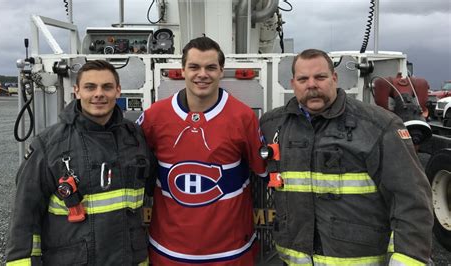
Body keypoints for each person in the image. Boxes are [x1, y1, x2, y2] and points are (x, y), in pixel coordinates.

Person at [259, 49, 433, 265]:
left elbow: (411, 199)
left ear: (334, 78)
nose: (311, 85)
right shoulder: (273, 124)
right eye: (303, 79)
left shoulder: (379, 126)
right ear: (292, 83)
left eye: (320, 77)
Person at [6, 60, 153, 265]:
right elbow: (25, 212)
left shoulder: (135, 137)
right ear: (76, 91)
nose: (99, 94)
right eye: (90, 87)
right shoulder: (49, 144)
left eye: (107, 87)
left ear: (118, 91)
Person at [137, 36, 267, 265]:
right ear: (183, 70)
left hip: (231, 253)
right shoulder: (154, 117)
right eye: (194, 67)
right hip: (168, 251)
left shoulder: (243, 116)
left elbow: (263, 171)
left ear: (221, 71)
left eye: (211, 67)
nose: (202, 74)